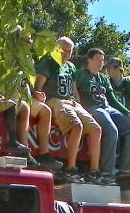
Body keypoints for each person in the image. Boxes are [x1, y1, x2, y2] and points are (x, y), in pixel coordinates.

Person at [34, 36, 105, 184]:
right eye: (63, 51)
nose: (67, 54)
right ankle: (70, 170)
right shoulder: (48, 63)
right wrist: (38, 95)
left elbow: (73, 88)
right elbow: (38, 86)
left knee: (96, 129)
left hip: (72, 102)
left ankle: (94, 172)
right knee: (77, 126)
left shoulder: (71, 67)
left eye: (70, 51)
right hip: (56, 100)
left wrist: (78, 104)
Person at [73, 48, 130, 181]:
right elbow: (73, 90)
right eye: (97, 59)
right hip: (92, 108)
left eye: (102, 60)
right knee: (112, 130)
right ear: (89, 60)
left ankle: (127, 168)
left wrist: (128, 113)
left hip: (107, 108)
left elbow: (113, 100)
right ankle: (107, 172)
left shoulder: (104, 78)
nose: (101, 62)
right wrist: (78, 106)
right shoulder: (80, 74)